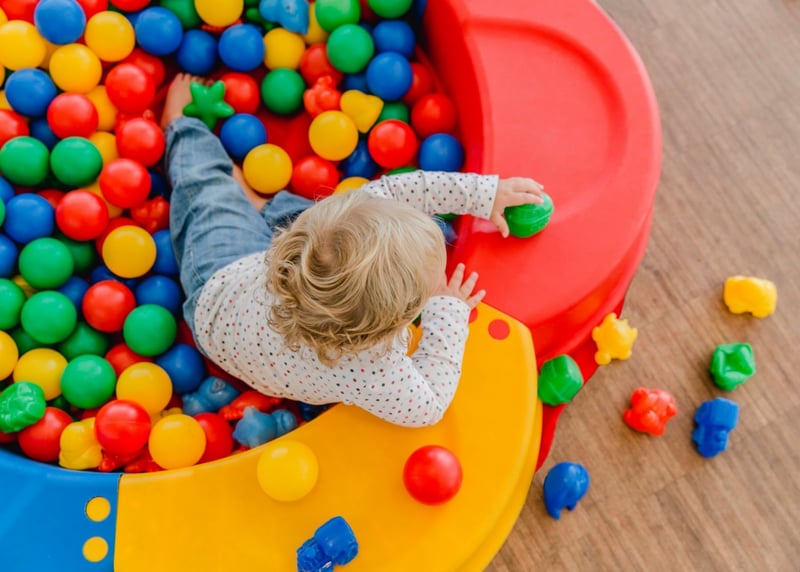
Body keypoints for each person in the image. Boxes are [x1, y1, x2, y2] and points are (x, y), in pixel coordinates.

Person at [162, 74, 545, 427]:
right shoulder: (372, 367)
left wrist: (484, 195)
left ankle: (254, 203)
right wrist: (447, 310)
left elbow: (396, 193)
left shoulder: (347, 230)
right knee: (206, 186)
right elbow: (429, 407)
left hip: (235, 284)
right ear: (394, 321)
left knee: (218, 196)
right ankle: (181, 127)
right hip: (218, 298)